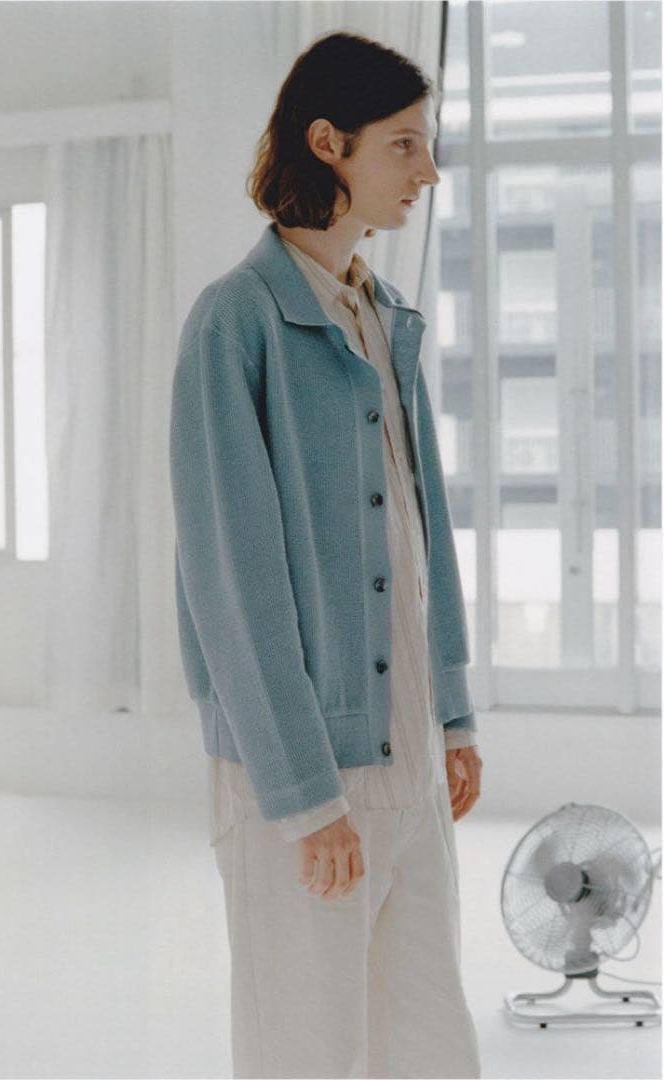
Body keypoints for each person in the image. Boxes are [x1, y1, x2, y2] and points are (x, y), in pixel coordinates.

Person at [169, 29, 483, 1080]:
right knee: (306, 1053)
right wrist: (307, 798)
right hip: (303, 773)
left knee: (429, 1047)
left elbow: (424, 530)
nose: (427, 170)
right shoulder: (236, 325)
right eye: (404, 144)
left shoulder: (384, 317)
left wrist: (451, 713)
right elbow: (231, 585)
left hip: (408, 759)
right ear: (326, 143)